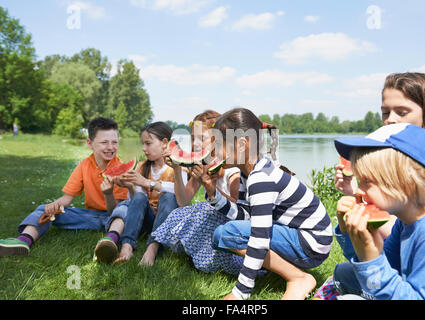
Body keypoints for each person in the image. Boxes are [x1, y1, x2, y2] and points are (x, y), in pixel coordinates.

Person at [208, 108, 333, 300]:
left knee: (228, 232)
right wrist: (212, 192)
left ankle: (298, 278)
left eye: (219, 144)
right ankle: (291, 273)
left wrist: (240, 293)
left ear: (242, 144)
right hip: (302, 237)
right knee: (222, 234)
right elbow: (245, 216)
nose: (213, 151)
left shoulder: (261, 179)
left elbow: (259, 239)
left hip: (312, 243)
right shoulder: (249, 172)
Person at [332, 123, 425, 300]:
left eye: (367, 182)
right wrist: (349, 233)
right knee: (343, 273)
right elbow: (384, 267)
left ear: (408, 183)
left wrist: (372, 261)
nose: (358, 191)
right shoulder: (406, 222)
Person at [0, 117, 129, 257]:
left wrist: (108, 194)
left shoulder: (121, 169)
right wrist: (54, 205)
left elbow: (116, 210)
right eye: (104, 142)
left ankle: (110, 240)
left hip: (113, 219)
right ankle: (24, 241)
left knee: (123, 212)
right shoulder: (84, 165)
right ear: (90, 143)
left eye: (114, 142)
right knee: (44, 209)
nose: (110, 147)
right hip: (89, 216)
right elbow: (68, 198)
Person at [335, 72, 425, 209]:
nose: (390, 119)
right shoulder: (396, 152)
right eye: (385, 112)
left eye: (402, 112)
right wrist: (354, 192)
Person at [151, 110, 245, 275]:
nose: (195, 144)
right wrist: (177, 169)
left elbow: (238, 209)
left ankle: (215, 259)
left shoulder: (233, 169)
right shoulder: (202, 164)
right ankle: (201, 255)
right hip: (213, 227)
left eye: (202, 139)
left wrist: (211, 187)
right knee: (181, 213)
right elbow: (183, 201)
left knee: (204, 210)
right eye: (193, 138)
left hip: (231, 228)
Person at [94, 122, 186, 265]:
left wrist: (147, 182)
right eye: (143, 144)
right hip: (146, 220)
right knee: (138, 196)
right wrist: (131, 187)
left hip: (168, 223)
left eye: (148, 143)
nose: (144, 149)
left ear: (164, 143)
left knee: (169, 197)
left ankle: (152, 249)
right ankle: (127, 246)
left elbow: (182, 196)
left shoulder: (178, 168)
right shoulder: (142, 166)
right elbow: (136, 201)